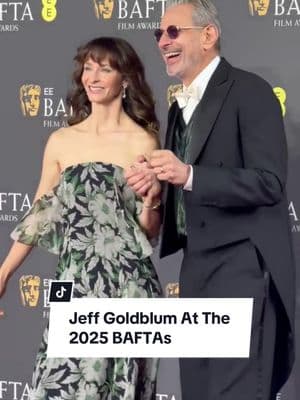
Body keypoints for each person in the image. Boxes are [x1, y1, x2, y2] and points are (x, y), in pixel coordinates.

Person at [126, 1, 295, 399]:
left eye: (173, 32)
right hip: (196, 268)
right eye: (158, 34)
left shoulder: (249, 90)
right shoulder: (178, 106)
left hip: (243, 266)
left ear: (208, 35)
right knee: (198, 389)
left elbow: (269, 183)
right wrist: (156, 187)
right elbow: (186, 193)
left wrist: (188, 175)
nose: (162, 41)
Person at [0, 37, 162, 400]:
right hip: (71, 281)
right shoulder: (61, 140)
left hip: (127, 285)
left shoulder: (144, 143)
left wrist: (152, 201)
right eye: (88, 68)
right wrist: (4, 273)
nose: (93, 76)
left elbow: (148, 233)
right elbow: (37, 218)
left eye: (105, 69)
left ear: (126, 80)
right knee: (57, 380)